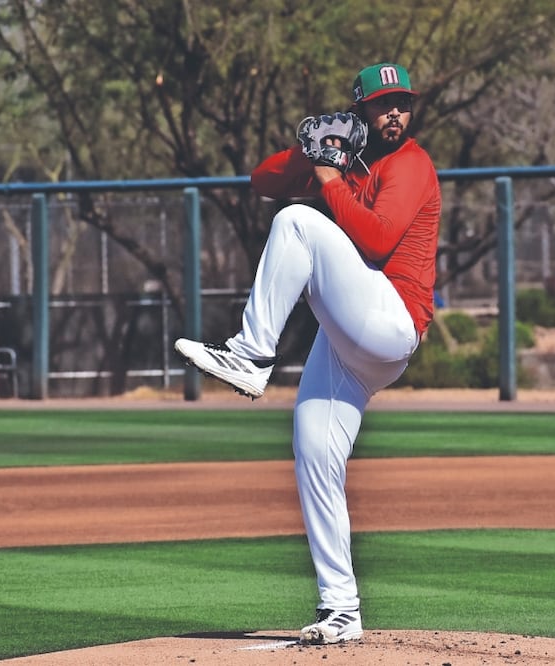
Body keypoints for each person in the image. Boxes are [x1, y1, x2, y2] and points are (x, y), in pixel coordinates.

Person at [174, 62, 441, 644]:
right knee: (315, 449)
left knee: (297, 221)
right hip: (351, 334)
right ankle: (340, 608)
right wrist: (311, 149)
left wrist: (326, 177)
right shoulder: (350, 157)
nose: (394, 112)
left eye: (402, 103)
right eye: (381, 104)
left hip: (392, 318)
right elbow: (261, 181)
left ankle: (250, 355)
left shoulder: (412, 164)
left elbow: (375, 238)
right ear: (362, 110)